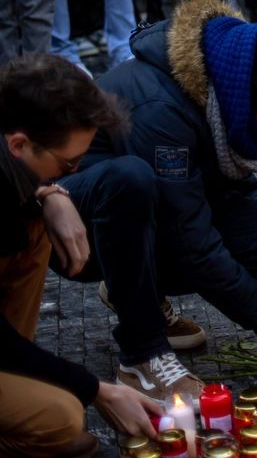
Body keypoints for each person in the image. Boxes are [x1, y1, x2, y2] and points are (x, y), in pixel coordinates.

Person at [61, 0, 257, 399]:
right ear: (256, 93)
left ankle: (133, 287)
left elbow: (234, 196)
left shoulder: (223, 81)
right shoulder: (161, 109)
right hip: (77, 228)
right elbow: (191, 241)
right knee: (132, 180)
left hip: (150, 210)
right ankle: (142, 355)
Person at [0, 55, 163, 455]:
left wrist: (50, 194)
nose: (72, 172)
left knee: (37, 224)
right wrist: (96, 390)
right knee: (63, 417)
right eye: (67, 163)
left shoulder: (11, 157)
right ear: (19, 144)